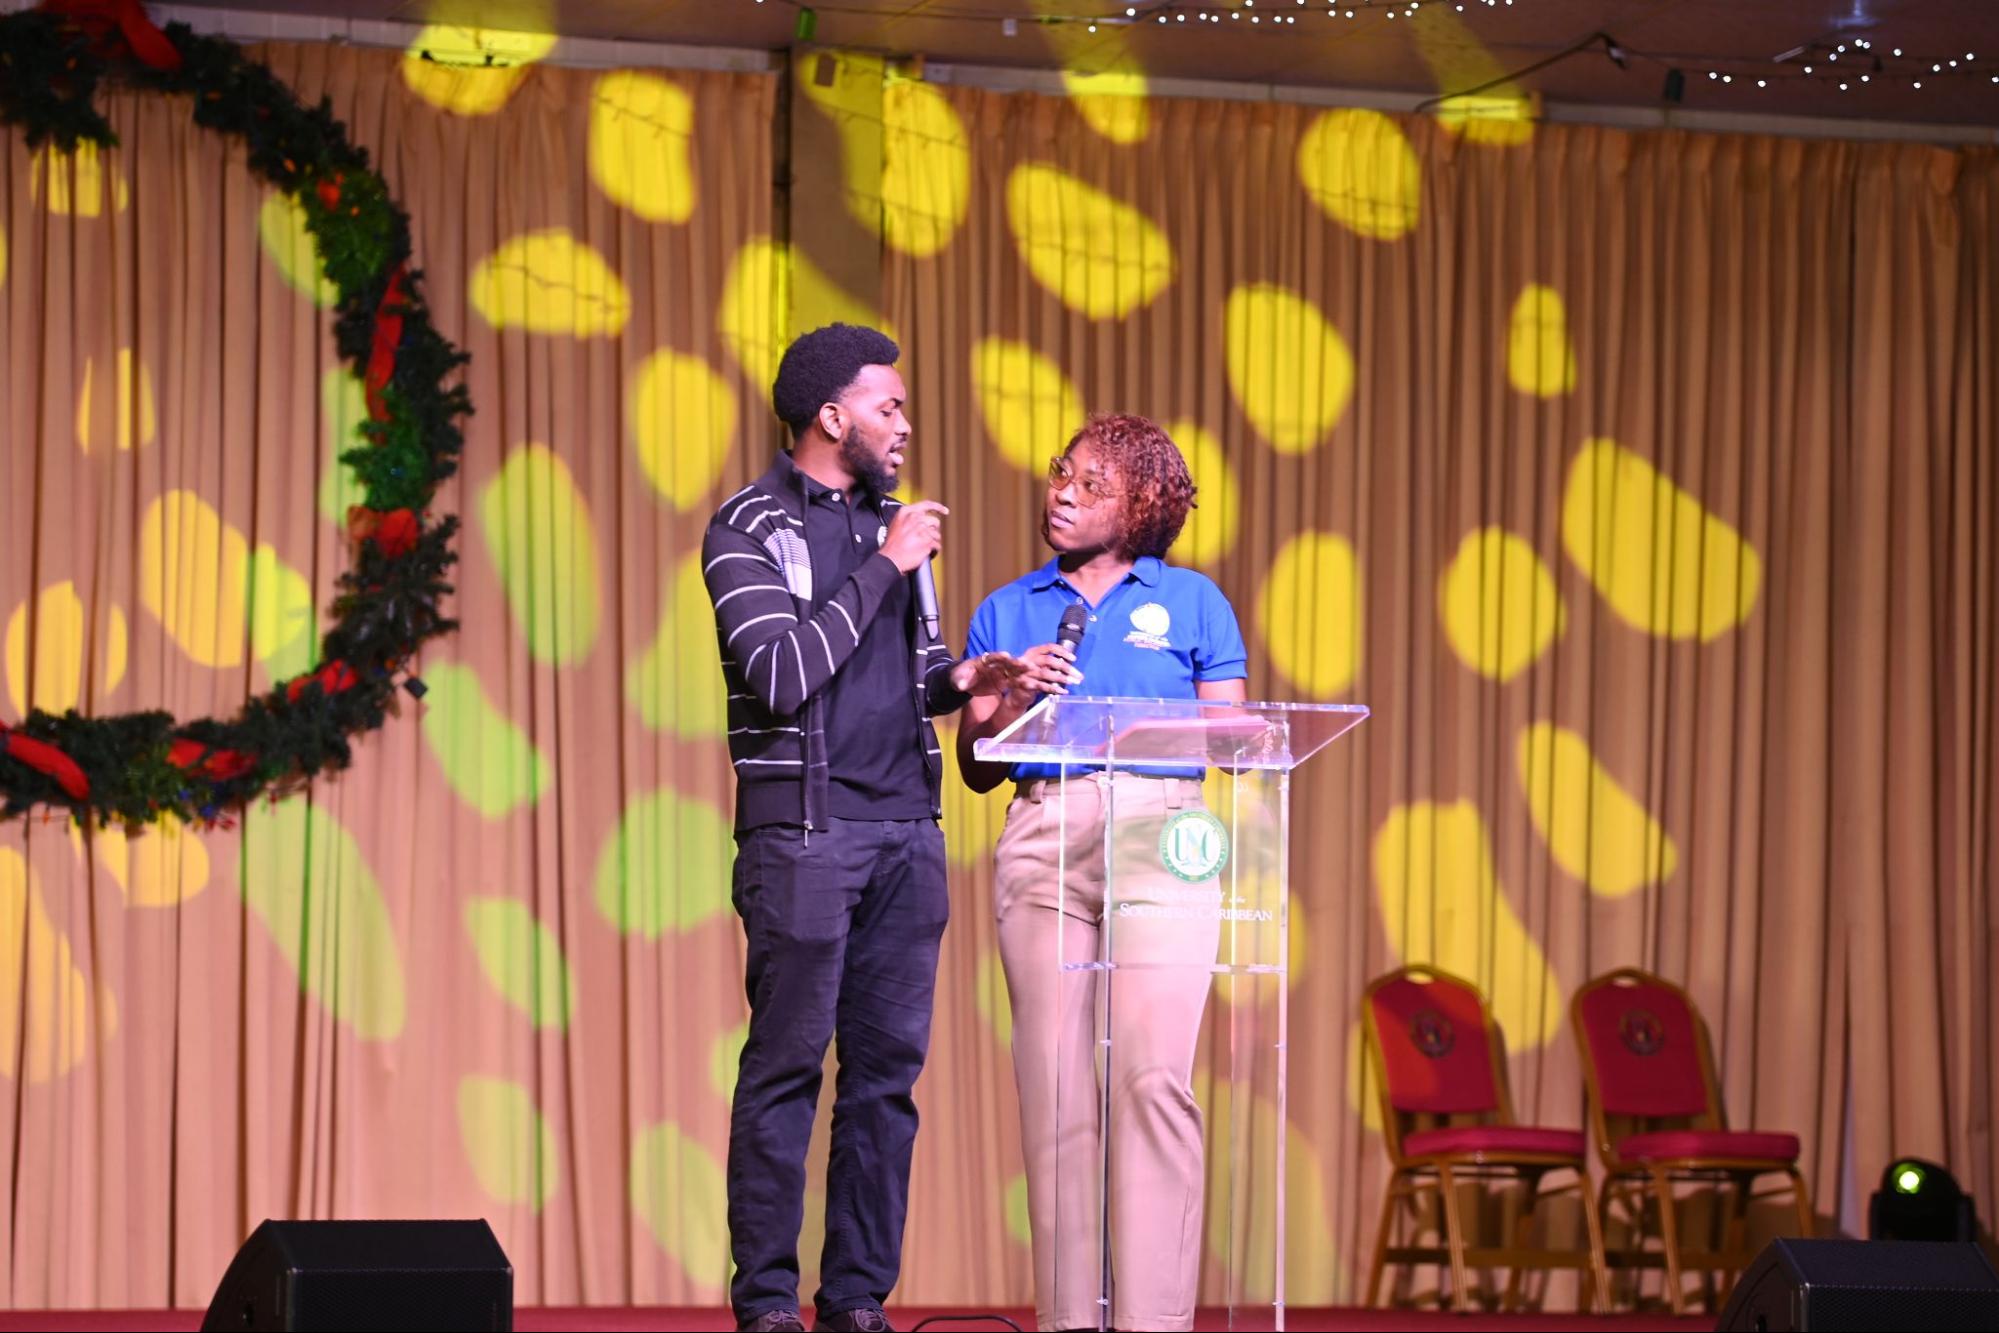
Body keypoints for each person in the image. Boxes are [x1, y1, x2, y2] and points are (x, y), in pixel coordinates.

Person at [704, 323, 1028, 1333]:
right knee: (787, 1070)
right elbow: (784, 672)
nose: (906, 422)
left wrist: (968, 681)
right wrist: (888, 563)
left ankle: (854, 1303)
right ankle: (765, 1306)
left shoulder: (897, 530)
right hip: (802, 838)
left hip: (906, 835)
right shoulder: (746, 527)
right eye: (888, 406)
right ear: (830, 416)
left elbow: (906, 676)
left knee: (885, 1086)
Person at [958, 414, 1250, 1333]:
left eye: (1090, 483)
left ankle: (1153, 1324)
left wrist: (1136, 725)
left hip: (1161, 833)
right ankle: (1070, 1324)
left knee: (1152, 1080)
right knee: (1053, 1088)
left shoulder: (1196, 601)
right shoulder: (1006, 609)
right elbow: (975, 765)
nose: (1062, 492)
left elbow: (1237, 740)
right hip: (1045, 829)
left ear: (1142, 506)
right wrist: (1002, 698)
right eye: (1060, 474)